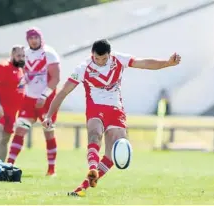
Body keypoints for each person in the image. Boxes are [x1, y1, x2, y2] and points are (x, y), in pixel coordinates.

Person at [42, 39, 181, 196]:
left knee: (112, 154)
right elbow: (63, 92)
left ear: (110, 54)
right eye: (97, 58)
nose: (100, 62)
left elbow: (145, 63)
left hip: (116, 110)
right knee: (95, 134)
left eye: (104, 59)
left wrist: (168, 63)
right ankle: (92, 167)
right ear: (91, 55)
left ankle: (82, 188)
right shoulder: (82, 68)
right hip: (96, 108)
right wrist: (48, 115)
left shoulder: (119, 60)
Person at [7, 27, 60, 176]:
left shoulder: (49, 53)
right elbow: (25, 74)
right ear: (27, 40)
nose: (33, 40)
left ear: (40, 38)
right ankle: (8, 166)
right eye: (30, 38)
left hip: (47, 100)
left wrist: (44, 96)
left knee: (48, 132)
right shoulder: (25, 53)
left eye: (36, 37)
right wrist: (20, 83)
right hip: (29, 100)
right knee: (20, 130)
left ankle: (51, 170)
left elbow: (56, 78)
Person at [0, 45, 26, 161]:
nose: (21, 58)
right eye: (19, 56)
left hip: (12, 112)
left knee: (5, 140)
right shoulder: (2, 66)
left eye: (23, 56)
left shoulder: (20, 70)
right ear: (12, 55)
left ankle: (1, 167)